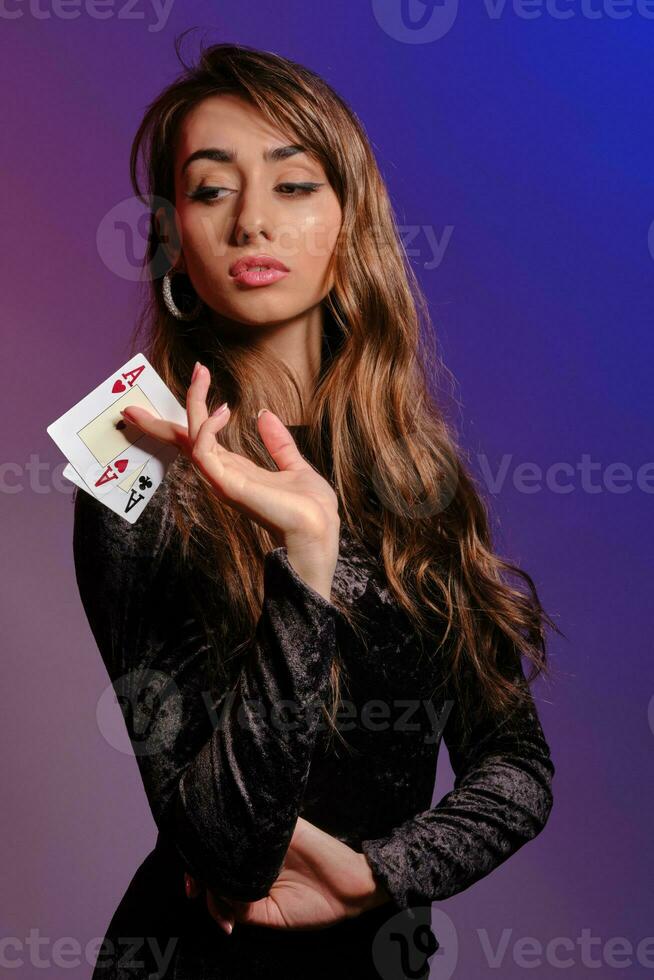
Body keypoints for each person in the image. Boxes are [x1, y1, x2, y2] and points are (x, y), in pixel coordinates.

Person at [72, 38, 558, 980]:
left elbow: (516, 767)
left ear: (350, 224)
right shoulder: (126, 448)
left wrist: (381, 871)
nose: (253, 220)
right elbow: (223, 850)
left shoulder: (417, 471)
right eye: (212, 190)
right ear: (174, 236)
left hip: (382, 953)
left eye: (293, 186)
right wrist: (306, 559)